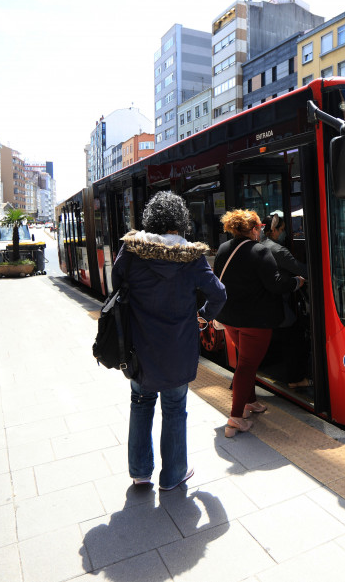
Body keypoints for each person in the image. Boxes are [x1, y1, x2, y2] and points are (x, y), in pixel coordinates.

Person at [112, 191, 226, 491]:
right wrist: (201, 317)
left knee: (140, 403)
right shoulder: (192, 257)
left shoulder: (131, 251)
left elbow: (116, 285)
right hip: (178, 346)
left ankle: (139, 472)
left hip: (139, 347)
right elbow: (219, 294)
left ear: (150, 219)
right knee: (175, 408)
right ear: (180, 221)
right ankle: (173, 475)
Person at [214, 209, 305, 437]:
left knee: (246, 361)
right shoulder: (260, 251)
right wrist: (296, 282)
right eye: (259, 229)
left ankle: (250, 402)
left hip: (229, 319)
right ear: (254, 229)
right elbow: (275, 284)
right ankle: (235, 418)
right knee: (246, 365)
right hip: (255, 321)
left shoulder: (224, 249)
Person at [261, 212, 310, 389]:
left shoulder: (260, 246)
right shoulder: (278, 250)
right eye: (281, 230)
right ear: (274, 230)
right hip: (278, 304)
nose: (283, 233)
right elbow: (301, 270)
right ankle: (295, 379)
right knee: (295, 340)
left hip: (263, 304)